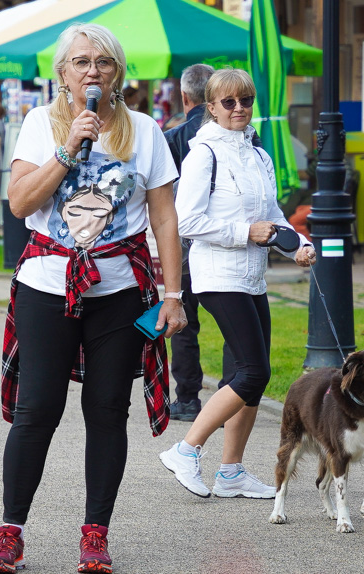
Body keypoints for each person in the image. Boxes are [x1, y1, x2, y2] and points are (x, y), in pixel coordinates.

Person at [0, 23, 185, 574]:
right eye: (79, 61)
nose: (91, 70)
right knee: (37, 410)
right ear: (62, 73)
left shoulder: (145, 131)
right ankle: (11, 532)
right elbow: (20, 204)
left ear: (118, 72)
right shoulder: (38, 124)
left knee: (106, 412)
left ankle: (95, 535)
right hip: (47, 286)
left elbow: (164, 215)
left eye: (102, 61)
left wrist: (173, 294)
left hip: (119, 291)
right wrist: (69, 147)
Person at [160, 68, 316, 500]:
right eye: (228, 102)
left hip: (252, 277)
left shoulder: (258, 156)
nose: (239, 109)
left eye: (245, 101)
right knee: (253, 371)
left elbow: (275, 219)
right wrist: (245, 232)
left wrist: (297, 245)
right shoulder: (203, 155)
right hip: (216, 275)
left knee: (253, 376)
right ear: (209, 107)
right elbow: (186, 221)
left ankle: (231, 472)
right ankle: (186, 449)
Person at [162, 63, 215, 422]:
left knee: (183, 321)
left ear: (184, 97)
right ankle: (233, 395)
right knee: (234, 323)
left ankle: (188, 399)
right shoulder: (242, 136)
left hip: (183, 245)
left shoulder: (174, 138)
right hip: (228, 243)